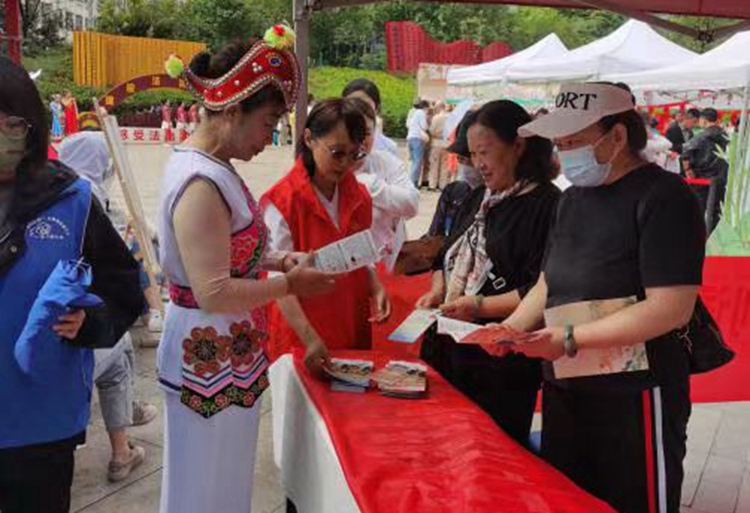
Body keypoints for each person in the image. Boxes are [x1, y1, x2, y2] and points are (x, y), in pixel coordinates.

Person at [485, 82, 705, 513]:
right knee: (570, 497)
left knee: (631, 499)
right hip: (567, 382)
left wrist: (570, 338)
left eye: (574, 142)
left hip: (635, 392)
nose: (564, 153)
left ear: (617, 136)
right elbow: (549, 281)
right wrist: (512, 328)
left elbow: (670, 308)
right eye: (560, 144)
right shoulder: (571, 199)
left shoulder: (665, 197)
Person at [157, 30, 336, 513]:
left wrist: (278, 260)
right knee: (201, 486)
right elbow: (212, 291)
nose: (268, 137)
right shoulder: (200, 181)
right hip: (205, 352)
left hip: (226, 352)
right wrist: (289, 284)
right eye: (268, 123)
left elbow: (229, 251)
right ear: (233, 110)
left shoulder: (217, 167)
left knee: (224, 480)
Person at [0, 56, 144, 513]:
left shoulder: (70, 199)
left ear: (33, 129)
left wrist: (91, 321)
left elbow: (124, 287)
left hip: (40, 422)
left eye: (11, 124)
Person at [416, 100, 560, 445]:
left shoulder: (548, 205)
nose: (478, 163)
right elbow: (446, 254)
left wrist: (479, 306)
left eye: (485, 152)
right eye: (472, 154)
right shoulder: (479, 197)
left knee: (490, 451)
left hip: (499, 362)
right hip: (448, 348)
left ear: (518, 145)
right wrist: (438, 290)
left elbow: (541, 287)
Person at [262, 98, 391, 375]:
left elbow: (360, 254)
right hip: (301, 331)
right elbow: (276, 281)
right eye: (337, 153)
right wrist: (309, 338)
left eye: (354, 155)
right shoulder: (283, 201)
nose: (345, 164)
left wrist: (375, 286)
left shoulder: (359, 196)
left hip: (349, 322)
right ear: (309, 139)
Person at [350, 98, 419, 271]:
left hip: (386, 264)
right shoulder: (329, 169)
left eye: (367, 132)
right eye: (353, 132)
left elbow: (411, 204)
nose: (360, 140)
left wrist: (368, 184)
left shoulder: (386, 162)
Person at [427, 110, 481, 237]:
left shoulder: (499, 203)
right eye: (461, 159)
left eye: (474, 157)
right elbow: (434, 236)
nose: (467, 167)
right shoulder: (453, 192)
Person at [682, 107, 729, 232]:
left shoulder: (701, 136)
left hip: (701, 177)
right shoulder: (725, 135)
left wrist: (688, 170)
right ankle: (712, 236)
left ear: (704, 120)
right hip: (720, 176)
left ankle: (696, 235)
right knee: (716, 210)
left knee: (698, 208)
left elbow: (685, 153)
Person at [342, 77, 399, 157]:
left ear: (377, 108)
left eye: (365, 105)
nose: (358, 109)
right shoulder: (331, 140)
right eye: (351, 104)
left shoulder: (388, 148)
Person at [426, 101, 450, 191]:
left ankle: (432, 184)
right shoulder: (450, 117)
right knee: (444, 165)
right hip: (447, 144)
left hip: (436, 143)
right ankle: (442, 185)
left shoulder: (436, 118)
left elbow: (432, 130)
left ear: (439, 107)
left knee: (434, 164)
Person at [406, 100, 430, 187]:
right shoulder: (421, 113)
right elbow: (424, 126)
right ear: (425, 107)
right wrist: (427, 122)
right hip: (417, 138)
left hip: (410, 137)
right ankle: (412, 183)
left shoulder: (414, 112)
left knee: (413, 161)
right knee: (417, 162)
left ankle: (412, 181)